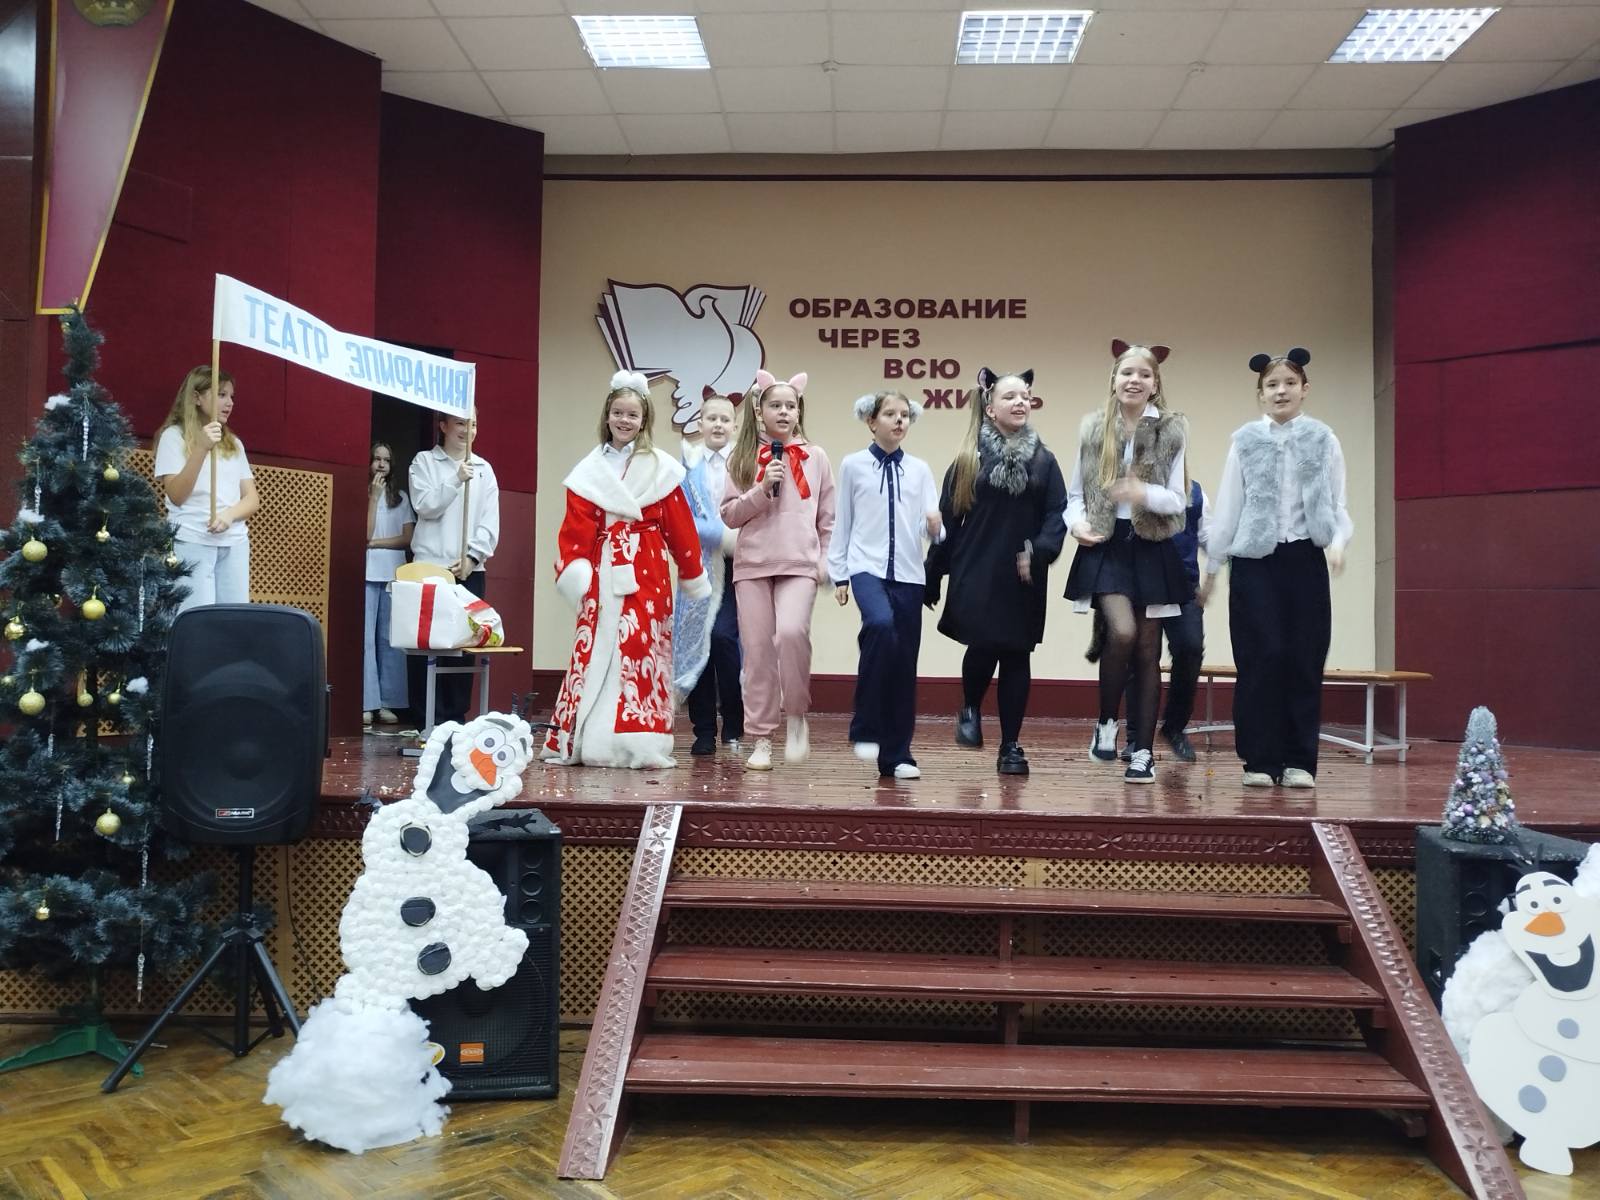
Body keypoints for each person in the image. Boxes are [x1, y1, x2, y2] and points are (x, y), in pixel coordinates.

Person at [1200, 347, 1353, 790]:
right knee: (1261, 657)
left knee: (1304, 657)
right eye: (1271, 385)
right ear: (1260, 393)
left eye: (1289, 383)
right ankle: (1260, 760)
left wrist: (1337, 544)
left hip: (1305, 559)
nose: (1280, 391)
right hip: (1255, 563)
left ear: (1304, 389)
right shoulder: (1245, 441)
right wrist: (1213, 568)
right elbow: (1229, 509)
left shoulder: (1324, 439)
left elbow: (1337, 504)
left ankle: (1299, 760)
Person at [543, 371, 710, 768]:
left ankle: (639, 741)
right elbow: (575, 530)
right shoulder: (588, 472)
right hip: (601, 571)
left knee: (641, 646)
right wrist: (576, 570)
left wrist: (691, 571)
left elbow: (680, 528)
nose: (624, 420)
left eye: (632, 414)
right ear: (607, 415)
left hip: (647, 569)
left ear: (644, 419)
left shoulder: (661, 468)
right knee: (595, 648)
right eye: (618, 412)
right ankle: (587, 739)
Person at [924, 368, 1066, 777]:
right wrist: (933, 573)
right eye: (1010, 396)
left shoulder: (1044, 461)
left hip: (1023, 569)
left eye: (1025, 396)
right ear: (990, 408)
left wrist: (1040, 551)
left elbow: (1057, 514)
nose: (1020, 402)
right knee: (984, 644)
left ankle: (1010, 746)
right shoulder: (969, 459)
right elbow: (949, 519)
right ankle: (970, 707)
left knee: (1017, 653)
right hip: (976, 567)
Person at [1064, 340, 1193, 784]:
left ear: (1155, 384)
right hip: (1107, 543)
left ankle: (1143, 752)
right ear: (1114, 380)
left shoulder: (1172, 430)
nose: (1134, 380)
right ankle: (1106, 721)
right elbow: (1075, 495)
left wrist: (1143, 493)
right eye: (1127, 373)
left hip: (1151, 544)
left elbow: (1177, 499)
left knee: (1148, 650)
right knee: (1121, 631)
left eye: (1144, 374)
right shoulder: (1093, 429)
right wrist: (1076, 525)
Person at [719, 369, 835, 773]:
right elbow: (729, 515)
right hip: (752, 566)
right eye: (776, 405)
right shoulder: (741, 457)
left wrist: (824, 561)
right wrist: (761, 490)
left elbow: (828, 519)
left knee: (790, 633)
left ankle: (797, 714)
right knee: (757, 653)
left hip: (799, 563)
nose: (784, 412)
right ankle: (762, 737)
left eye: (791, 405)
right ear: (760, 411)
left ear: (799, 412)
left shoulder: (816, 457)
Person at [829, 390, 942, 781]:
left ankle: (897, 755)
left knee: (903, 661)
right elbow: (842, 521)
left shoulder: (920, 469)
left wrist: (935, 527)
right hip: (866, 567)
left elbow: (934, 528)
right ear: (871, 421)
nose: (899, 420)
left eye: (905, 415)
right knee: (879, 625)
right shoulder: (853, 465)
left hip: (909, 574)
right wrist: (839, 574)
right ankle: (865, 725)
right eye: (890, 414)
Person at [409, 411, 500, 725]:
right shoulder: (424, 462)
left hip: (468, 570)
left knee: (463, 645)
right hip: (428, 569)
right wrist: (456, 479)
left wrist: (473, 557)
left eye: (473, 424)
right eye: (460, 423)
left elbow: (490, 522)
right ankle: (426, 721)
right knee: (426, 646)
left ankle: (455, 720)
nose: (467, 430)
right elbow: (425, 506)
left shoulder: (484, 469)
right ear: (443, 426)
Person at [673, 390, 744, 756]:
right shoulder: (686, 464)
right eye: (711, 418)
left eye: (725, 419)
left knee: (725, 639)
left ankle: (734, 722)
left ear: (735, 425)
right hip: (697, 564)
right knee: (696, 642)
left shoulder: (745, 461)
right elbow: (680, 516)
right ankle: (703, 731)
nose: (718, 425)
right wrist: (720, 535)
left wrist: (737, 540)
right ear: (699, 423)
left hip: (738, 564)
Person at [154, 365, 259, 613]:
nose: (230, 402)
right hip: (191, 540)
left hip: (234, 542)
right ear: (196, 397)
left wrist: (229, 515)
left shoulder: (234, 444)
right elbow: (177, 495)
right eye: (221, 394)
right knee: (195, 619)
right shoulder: (173, 437)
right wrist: (201, 448)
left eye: (231, 396)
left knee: (233, 621)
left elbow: (252, 499)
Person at [363, 442, 415, 727]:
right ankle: (367, 703)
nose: (381, 464)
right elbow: (364, 533)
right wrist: (373, 498)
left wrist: (375, 544)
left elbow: (407, 539)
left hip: (393, 573)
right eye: (376, 459)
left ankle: (388, 702)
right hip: (367, 572)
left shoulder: (402, 498)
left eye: (386, 459)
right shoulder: (363, 493)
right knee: (366, 639)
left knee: (389, 639)